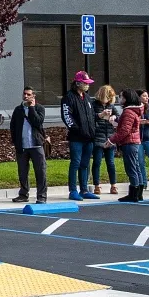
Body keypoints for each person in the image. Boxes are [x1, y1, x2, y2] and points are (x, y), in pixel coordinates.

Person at [61, 71, 96, 201]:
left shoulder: (87, 98)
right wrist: (77, 130)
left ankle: (84, 189)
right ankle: (73, 190)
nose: (87, 86)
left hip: (89, 137)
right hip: (76, 137)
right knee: (75, 163)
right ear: (78, 83)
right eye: (85, 83)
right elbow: (67, 116)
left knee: (85, 164)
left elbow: (91, 116)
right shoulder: (68, 97)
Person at [9, 87, 48, 204]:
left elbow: (38, 122)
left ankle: (41, 196)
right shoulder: (18, 110)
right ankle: (23, 194)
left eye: (29, 94)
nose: (26, 96)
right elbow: (13, 127)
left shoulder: (39, 108)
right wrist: (16, 142)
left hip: (36, 145)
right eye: (24, 94)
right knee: (22, 172)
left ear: (33, 96)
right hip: (22, 146)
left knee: (40, 171)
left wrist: (31, 108)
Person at [111, 88, 148, 202]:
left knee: (131, 168)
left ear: (127, 99)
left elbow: (124, 131)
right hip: (134, 142)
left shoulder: (128, 111)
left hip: (129, 142)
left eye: (121, 97)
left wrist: (111, 140)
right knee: (136, 167)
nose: (119, 99)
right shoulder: (134, 110)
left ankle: (133, 193)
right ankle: (139, 192)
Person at [90, 83, 119, 196]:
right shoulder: (93, 105)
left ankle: (113, 185)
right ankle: (97, 185)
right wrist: (101, 115)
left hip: (109, 137)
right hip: (98, 137)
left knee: (110, 163)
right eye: (108, 97)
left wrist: (114, 117)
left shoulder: (111, 107)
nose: (108, 100)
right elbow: (91, 118)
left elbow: (119, 116)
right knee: (97, 162)